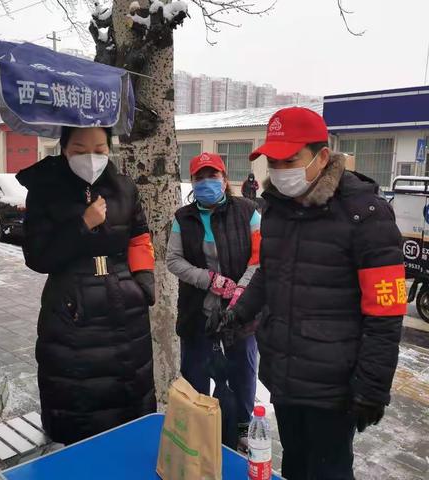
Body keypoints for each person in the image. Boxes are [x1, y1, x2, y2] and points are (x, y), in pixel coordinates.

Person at [229, 107, 406, 479]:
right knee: (294, 465)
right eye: (272, 161)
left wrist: (373, 386)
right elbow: (268, 275)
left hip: (334, 386)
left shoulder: (367, 215)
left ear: (322, 157)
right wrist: (238, 313)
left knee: (328, 471)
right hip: (284, 373)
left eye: (289, 160)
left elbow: (386, 312)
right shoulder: (275, 208)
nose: (279, 170)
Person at [16, 126, 157, 445]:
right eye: (79, 150)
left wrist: (144, 283)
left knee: (128, 407)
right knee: (77, 405)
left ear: (109, 149)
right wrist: (82, 225)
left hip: (125, 308)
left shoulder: (124, 187)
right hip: (71, 312)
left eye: (99, 149)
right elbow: (37, 257)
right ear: (63, 149)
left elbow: (139, 235)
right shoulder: (45, 189)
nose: (90, 158)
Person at [166, 152, 261, 451]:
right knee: (195, 375)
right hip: (198, 315)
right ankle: (198, 432)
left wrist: (241, 291)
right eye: (200, 177)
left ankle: (242, 431)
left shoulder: (248, 211)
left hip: (241, 316)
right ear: (193, 182)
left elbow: (260, 257)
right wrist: (209, 279)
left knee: (242, 376)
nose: (207, 181)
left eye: (213, 175)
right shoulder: (184, 217)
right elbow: (173, 260)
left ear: (224, 178)